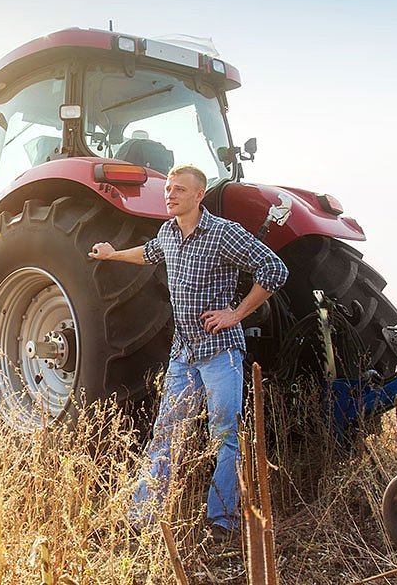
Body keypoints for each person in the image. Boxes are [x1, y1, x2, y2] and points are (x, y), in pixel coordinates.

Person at [88, 164, 288, 541]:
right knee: (166, 433)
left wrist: (236, 313)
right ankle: (142, 515)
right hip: (184, 355)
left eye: (179, 189)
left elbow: (274, 270)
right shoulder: (167, 232)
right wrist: (112, 255)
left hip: (219, 354)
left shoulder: (224, 234)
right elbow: (148, 254)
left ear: (199, 195)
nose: (170, 194)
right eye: (168, 188)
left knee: (226, 435)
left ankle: (223, 521)